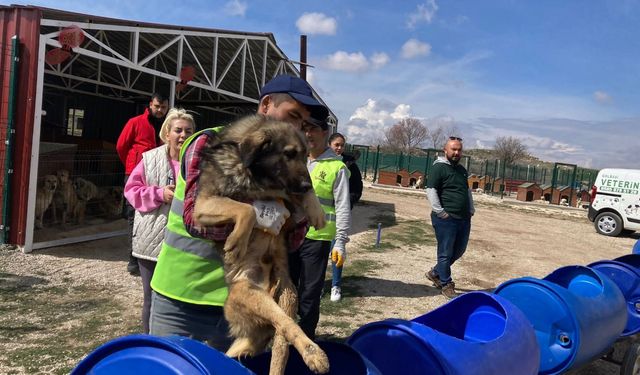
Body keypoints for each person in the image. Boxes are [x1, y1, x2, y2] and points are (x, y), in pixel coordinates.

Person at [149, 75, 328, 350]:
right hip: (183, 297)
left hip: (245, 302)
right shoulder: (209, 142)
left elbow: (292, 242)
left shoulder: (285, 164)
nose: (296, 127)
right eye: (292, 115)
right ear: (266, 104)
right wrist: (256, 214)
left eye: (302, 123)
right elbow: (195, 223)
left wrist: (302, 204)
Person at [123, 108, 195, 334]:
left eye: (189, 131)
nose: (183, 135)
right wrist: (159, 194)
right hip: (152, 242)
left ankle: (175, 344)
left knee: (180, 299)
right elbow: (131, 190)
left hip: (183, 244)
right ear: (167, 133)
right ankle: (151, 343)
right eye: (178, 130)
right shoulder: (150, 159)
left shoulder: (198, 164)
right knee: (151, 299)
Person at [289, 118, 350, 338]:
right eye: (304, 129)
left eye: (313, 129)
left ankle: (305, 339)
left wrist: (341, 242)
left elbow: (343, 206)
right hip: (288, 235)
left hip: (317, 237)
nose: (308, 134)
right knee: (286, 289)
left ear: (325, 132)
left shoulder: (337, 167)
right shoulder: (294, 159)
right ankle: (284, 335)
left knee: (309, 294)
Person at [117, 93, 169, 276]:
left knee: (155, 217)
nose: (160, 110)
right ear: (150, 105)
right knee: (134, 216)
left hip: (157, 176)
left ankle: (152, 258)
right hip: (135, 175)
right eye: (157, 106)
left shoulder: (167, 127)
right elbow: (121, 146)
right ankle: (133, 259)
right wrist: (132, 165)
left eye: (163, 107)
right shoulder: (135, 122)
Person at [425, 136, 475, 299]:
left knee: (459, 250)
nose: (456, 152)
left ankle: (435, 272)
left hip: (463, 217)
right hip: (446, 218)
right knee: (445, 253)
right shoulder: (439, 167)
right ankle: (446, 283)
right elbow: (431, 190)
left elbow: (467, 191)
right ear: (445, 150)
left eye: (459, 149)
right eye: (453, 149)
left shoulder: (461, 170)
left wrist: (471, 209)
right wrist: (440, 211)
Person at [327, 133, 362, 302]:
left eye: (342, 145)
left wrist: (348, 202)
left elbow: (357, 188)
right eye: (336, 144)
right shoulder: (321, 161)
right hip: (320, 219)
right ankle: (318, 284)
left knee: (337, 252)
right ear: (329, 144)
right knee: (317, 255)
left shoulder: (350, 165)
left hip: (339, 217)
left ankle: (336, 285)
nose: (339, 148)